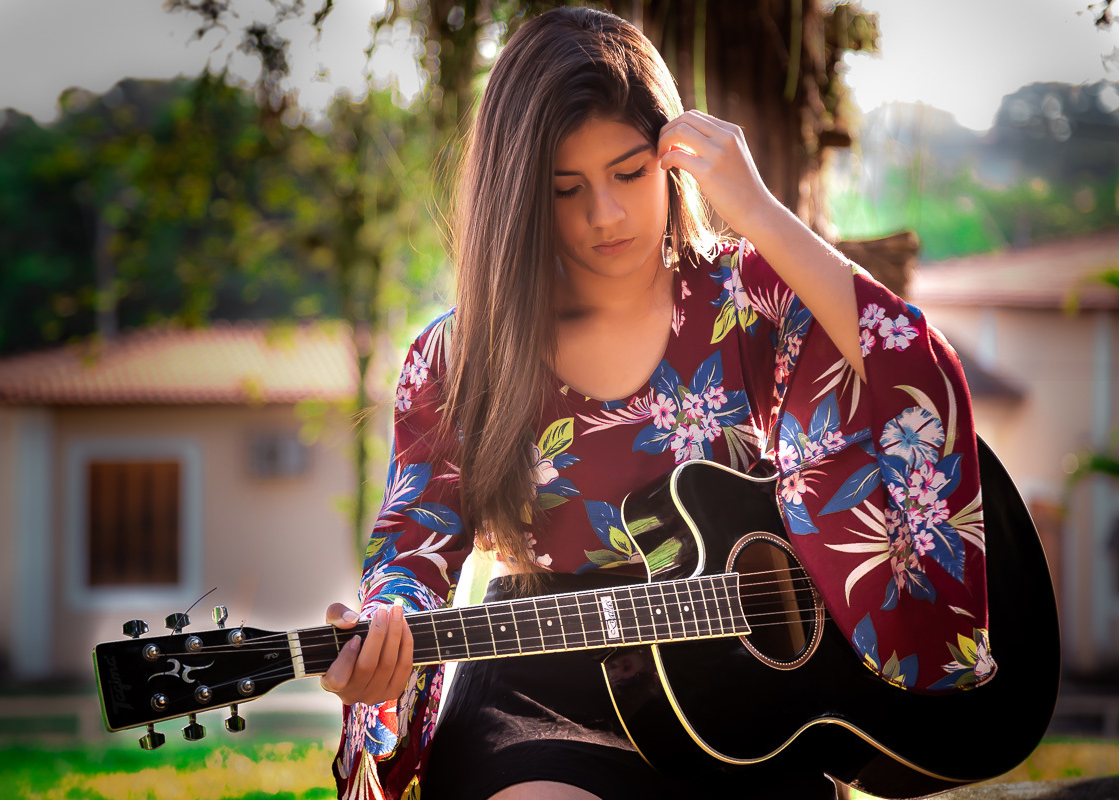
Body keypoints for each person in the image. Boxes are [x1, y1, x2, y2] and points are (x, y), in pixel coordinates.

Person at [321, 7, 994, 800]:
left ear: (671, 159)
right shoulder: (456, 355)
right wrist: (386, 635)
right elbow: (411, 547)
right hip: (542, 698)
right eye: (565, 189)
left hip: (748, 699)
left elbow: (907, 368)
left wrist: (758, 212)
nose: (604, 215)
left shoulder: (749, 297)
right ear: (519, 199)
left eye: (629, 173)